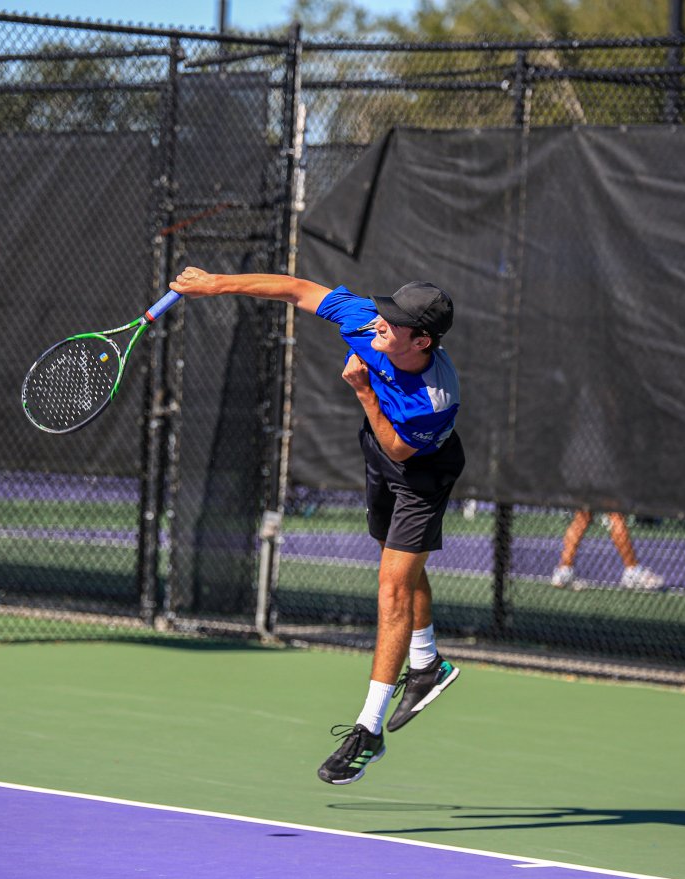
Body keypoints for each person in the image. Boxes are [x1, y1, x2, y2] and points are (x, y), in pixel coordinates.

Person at [168, 267, 464, 785]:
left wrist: (365, 392)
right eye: (384, 315)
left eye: (395, 325)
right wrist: (215, 283)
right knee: (397, 567)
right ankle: (427, 663)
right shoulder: (370, 326)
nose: (381, 326)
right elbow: (297, 289)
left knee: (392, 588)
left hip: (421, 469)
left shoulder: (433, 400)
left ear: (422, 340)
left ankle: (367, 731)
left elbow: (401, 447)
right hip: (378, 454)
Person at [550, 510, 665, 591]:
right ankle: (632, 569)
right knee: (616, 515)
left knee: (582, 517)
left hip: (581, 478)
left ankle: (564, 569)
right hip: (602, 479)